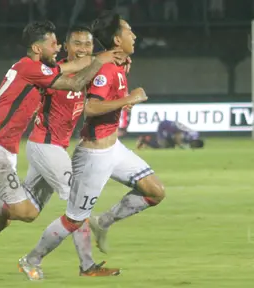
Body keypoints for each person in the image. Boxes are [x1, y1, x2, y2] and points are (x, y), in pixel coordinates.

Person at [0, 20, 123, 285]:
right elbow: (74, 80)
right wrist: (100, 59)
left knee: (7, 217)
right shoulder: (32, 69)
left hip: (5, 150)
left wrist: (101, 59)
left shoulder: (34, 68)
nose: (57, 46)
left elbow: (69, 68)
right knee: (31, 210)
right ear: (38, 47)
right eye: (53, 42)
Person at [18, 11, 166, 281]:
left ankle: (103, 222)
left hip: (115, 149)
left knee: (155, 192)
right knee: (73, 218)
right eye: (129, 31)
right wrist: (128, 99)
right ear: (117, 40)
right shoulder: (106, 69)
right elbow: (90, 107)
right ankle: (32, 258)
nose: (134, 35)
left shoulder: (119, 63)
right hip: (94, 154)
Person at [136, 120, 205, 149]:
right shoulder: (189, 136)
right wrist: (181, 145)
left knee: (170, 146)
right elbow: (178, 136)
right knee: (162, 145)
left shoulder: (194, 135)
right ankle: (144, 139)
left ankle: (148, 139)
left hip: (171, 129)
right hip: (165, 126)